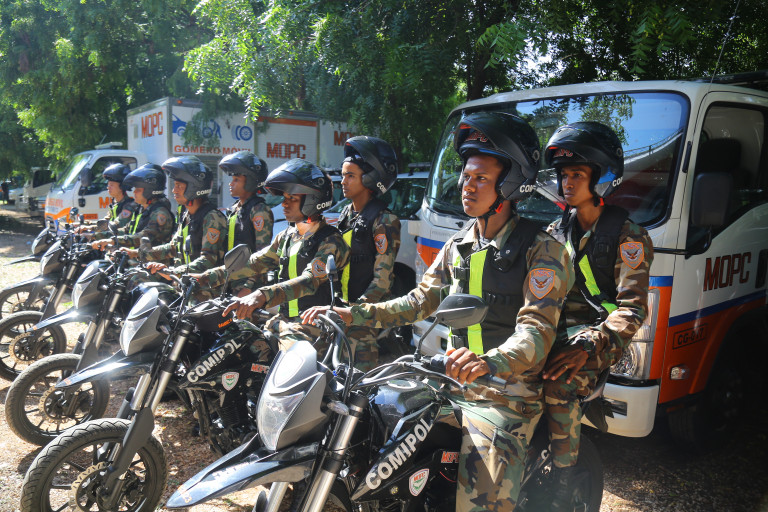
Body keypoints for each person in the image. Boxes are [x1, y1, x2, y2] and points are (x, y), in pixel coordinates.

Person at [302, 112, 573, 511]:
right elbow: (417, 302)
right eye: (466, 175)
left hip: (506, 393)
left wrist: (489, 361)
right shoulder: (459, 245)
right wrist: (352, 314)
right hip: (450, 381)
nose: (467, 185)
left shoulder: (543, 249)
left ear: (510, 184)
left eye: (481, 178)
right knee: (378, 435)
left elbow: (536, 330)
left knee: (480, 497)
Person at [539, 122, 653, 511]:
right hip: (554, 331)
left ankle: (563, 482)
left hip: (599, 337)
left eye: (577, 174)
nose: (567, 183)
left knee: (559, 386)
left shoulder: (627, 235)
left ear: (600, 179)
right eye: (563, 174)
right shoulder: (555, 231)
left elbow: (633, 308)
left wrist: (590, 344)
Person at [200, 159, 349, 349]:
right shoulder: (288, 235)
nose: (284, 204)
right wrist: (206, 277)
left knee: (279, 362)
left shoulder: (330, 240)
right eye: (284, 198)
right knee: (233, 347)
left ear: (312, 200)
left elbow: (309, 280)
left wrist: (261, 295)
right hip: (283, 320)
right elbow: (255, 263)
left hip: (313, 325)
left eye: (292, 199)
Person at [336, 136, 401, 370]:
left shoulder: (384, 220)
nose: (343, 181)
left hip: (364, 317)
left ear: (369, 179)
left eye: (350, 176)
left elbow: (382, 280)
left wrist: (355, 311)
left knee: (359, 380)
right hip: (342, 311)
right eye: (343, 175)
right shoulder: (346, 215)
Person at [137, 156, 227, 281]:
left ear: (194, 187)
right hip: (183, 284)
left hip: (204, 288)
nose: (174, 190)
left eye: (179, 186)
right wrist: (141, 253)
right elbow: (174, 247)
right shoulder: (186, 214)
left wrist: (175, 272)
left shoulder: (212, 217)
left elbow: (208, 259)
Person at [219, 151, 274, 296]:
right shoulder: (234, 209)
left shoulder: (259, 210)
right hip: (231, 281)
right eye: (232, 179)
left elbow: (263, 254)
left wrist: (249, 286)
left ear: (250, 182)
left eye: (236, 179)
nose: (231, 183)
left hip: (248, 286)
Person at [91, 164, 174, 250]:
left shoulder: (159, 213)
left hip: (150, 258)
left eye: (138, 190)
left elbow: (142, 237)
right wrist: (96, 236)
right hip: (136, 256)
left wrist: (113, 241)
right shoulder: (142, 209)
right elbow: (127, 230)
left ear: (149, 191)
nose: (134, 192)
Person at [79, 163, 139, 236]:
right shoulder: (115, 204)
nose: (108, 187)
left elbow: (116, 224)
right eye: (108, 184)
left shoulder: (129, 206)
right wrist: (86, 224)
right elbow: (105, 222)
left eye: (112, 185)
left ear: (122, 187)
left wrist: (91, 229)